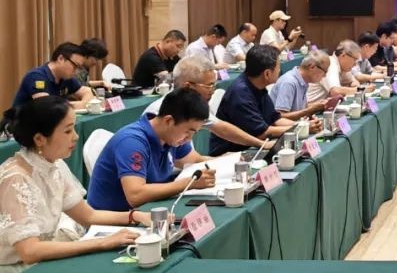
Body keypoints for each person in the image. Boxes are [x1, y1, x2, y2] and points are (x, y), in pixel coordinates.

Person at [0, 97, 152, 266]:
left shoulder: (54, 165)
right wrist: (102, 242)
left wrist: (135, 216)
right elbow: (30, 251)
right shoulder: (15, 179)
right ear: (39, 139)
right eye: (67, 131)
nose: (75, 137)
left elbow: (89, 216)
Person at [87, 88, 215, 210]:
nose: (189, 139)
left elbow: (195, 160)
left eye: (194, 133)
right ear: (169, 121)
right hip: (114, 218)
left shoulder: (171, 137)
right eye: (188, 132)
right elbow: (135, 195)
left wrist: (224, 160)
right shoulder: (132, 142)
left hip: (146, 211)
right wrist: (188, 183)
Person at [143, 57, 273, 151]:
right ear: (188, 87)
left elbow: (222, 128)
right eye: (209, 85)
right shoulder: (162, 110)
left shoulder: (190, 105)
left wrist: (261, 144)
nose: (213, 90)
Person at [211, 45, 296, 155]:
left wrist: (301, 125)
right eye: (278, 68)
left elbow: (275, 119)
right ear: (267, 74)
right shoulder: (240, 93)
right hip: (231, 153)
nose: (280, 71)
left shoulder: (258, 85)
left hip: (255, 145)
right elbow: (262, 133)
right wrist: (297, 129)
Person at [12, 43, 93, 108]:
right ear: (61, 59)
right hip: (21, 122)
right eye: (75, 66)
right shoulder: (36, 76)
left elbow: (88, 92)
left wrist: (80, 104)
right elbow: (47, 108)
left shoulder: (66, 77)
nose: (77, 71)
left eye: (79, 68)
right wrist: (80, 104)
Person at [306, 40, 384, 104]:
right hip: (313, 110)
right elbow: (335, 91)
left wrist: (355, 86)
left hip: (326, 107)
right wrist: (360, 90)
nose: (355, 64)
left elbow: (354, 82)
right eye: (354, 59)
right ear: (343, 55)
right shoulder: (330, 64)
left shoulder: (343, 67)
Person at [274, 51, 331, 120]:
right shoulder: (289, 82)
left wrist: (317, 105)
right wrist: (310, 110)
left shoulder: (303, 80)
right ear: (312, 67)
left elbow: (297, 109)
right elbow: (280, 117)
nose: (325, 75)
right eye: (325, 71)